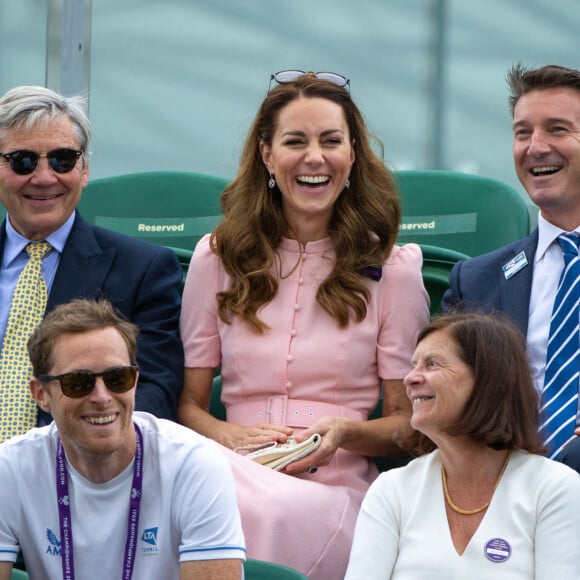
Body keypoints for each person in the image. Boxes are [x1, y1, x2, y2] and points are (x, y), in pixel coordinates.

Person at [178, 70, 430, 579]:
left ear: (352, 154)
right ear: (268, 156)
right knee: (196, 488)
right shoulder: (217, 257)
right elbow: (187, 406)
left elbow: (409, 426)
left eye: (331, 141)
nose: (315, 157)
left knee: (253, 508)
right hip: (232, 468)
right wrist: (227, 436)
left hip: (332, 489)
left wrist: (343, 433)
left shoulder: (394, 269)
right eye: (296, 141)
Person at [0, 298, 245, 579]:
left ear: (136, 380)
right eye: (78, 382)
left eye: (118, 378)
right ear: (41, 394)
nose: (102, 397)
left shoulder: (194, 464)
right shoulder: (11, 467)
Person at [0, 85, 183, 441]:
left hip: (74, 475)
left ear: (84, 169)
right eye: (23, 160)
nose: (43, 177)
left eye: (62, 159)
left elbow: (155, 394)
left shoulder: (143, 271)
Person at [346, 313, 580, 579]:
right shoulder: (391, 490)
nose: (410, 379)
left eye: (432, 364)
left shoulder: (555, 488)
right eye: (413, 365)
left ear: (488, 380)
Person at [442, 64, 580, 471]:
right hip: (505, 488)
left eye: (557, 129)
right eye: (523, 133)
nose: (535, 147)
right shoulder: (475, 281)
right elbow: (446, 403)